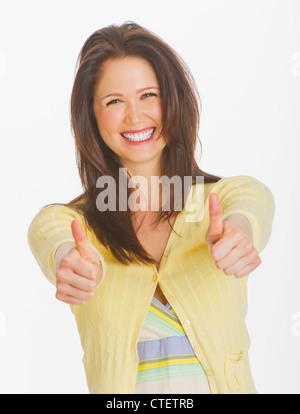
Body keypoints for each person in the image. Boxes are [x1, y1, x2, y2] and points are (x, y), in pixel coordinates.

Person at [27, 22, 275, 394]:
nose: (135, 116)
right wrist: (67, 259)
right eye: (114, 101)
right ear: (91, 116)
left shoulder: (219, 203)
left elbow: (251, 199)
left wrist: (240, 231)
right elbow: (49, 233)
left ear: (173, 100)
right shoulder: (77, 227)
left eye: (148, 95)